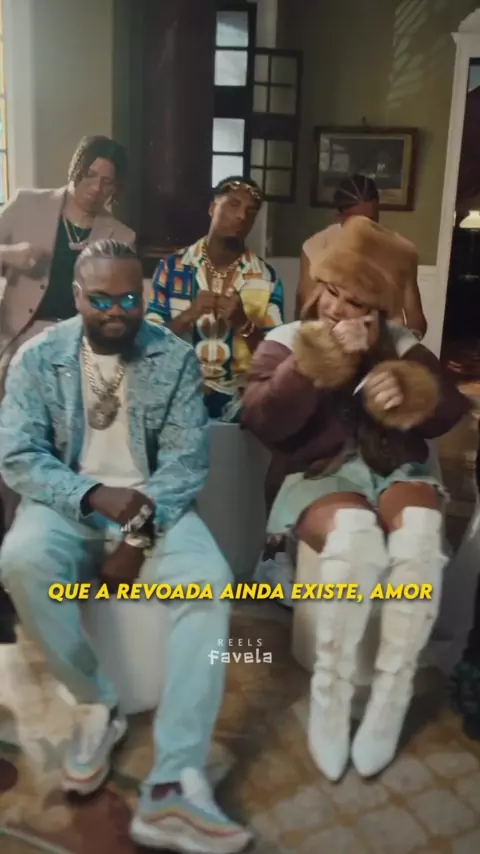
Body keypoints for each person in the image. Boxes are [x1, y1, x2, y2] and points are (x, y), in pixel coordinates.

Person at [0, 240, 251, 854]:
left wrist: (137, 536)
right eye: (102, 300)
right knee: (21, 561)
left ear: (144, 296)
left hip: (155, 508)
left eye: (130, 299)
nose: (117, 313)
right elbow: (18, 455)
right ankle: (97, 705)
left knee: (210, 584)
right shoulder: (39, 357)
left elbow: (187, 463)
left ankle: (173, 783)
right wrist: (90, 494)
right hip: (65, 507)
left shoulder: (174, 356)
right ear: (77, 296)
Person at [241, 216, 469, 782]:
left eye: (356, 302)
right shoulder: (287, 339)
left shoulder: (401, 345)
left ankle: (391, 695)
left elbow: (448, 412)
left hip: (394, 469)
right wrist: (311, 365)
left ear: (381, 310)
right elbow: (261, 419)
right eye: (331, 291)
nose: (336, 308)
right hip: (317, 475)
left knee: (421, 540)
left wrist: (405, 385)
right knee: (355, 542)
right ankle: (332, 694)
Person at [0, 134, 135, 538]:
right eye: (89, 175)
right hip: (19, 343)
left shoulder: (121, 236)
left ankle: (52, 541)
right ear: (75, 169)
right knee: (14, 446)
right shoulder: (28, 204)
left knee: (65, 452)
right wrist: (10, 255)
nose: (95, 187)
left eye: (107, 182)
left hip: (80, 352)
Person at [146, 176, 284, 421]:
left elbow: (277, 358)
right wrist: (188, 315)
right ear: (212, 208)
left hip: (239, 400)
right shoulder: (172, 268)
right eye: (233, 205)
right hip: (179, 390)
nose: (241, 216)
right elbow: (148, 344)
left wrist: (244, 324)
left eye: (250, 211)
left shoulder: (266, 278)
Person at [296, 173, 427, 340]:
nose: (364, 227)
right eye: (356, 221)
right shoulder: (315, 247)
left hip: (385, 344)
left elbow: (416, 318)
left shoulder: (399, 252)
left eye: (371, 220)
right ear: (339, 217)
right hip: (329, 341)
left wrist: (407, 341)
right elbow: (308, 311)